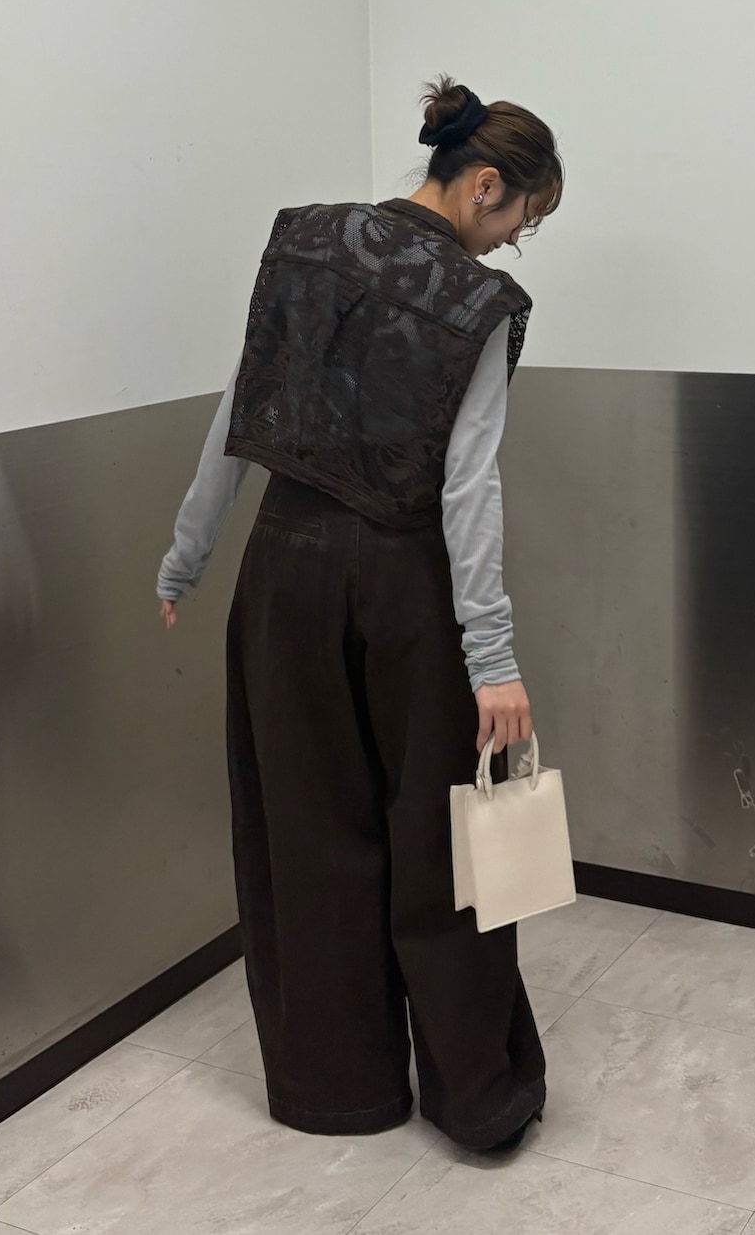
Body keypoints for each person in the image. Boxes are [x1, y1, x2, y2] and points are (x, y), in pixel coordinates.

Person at [156, 76, 564, 1153]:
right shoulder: (479, 304)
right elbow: (468, 486)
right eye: (522, 218)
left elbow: (239, 410)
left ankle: (335, 1089)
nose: (514, 242)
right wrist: (494, 658)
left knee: (303, 834)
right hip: (404, 581)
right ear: (485, 184)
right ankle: (476, 1096)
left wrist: (187, 555)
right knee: (443, 839)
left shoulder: (304, 242)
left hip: (281, 572)